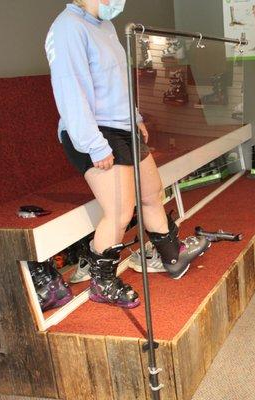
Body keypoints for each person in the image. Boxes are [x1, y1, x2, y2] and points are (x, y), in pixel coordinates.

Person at [45, 0, 193, 308]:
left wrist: (136, 117)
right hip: (94, 131)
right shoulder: (67, 28)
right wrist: (94, 144)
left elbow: (118, 81)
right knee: (120, 210)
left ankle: (170, 254)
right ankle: (103, 282)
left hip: (123, 126)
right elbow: (70, 92)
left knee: (152, 192)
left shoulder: (106, 25)